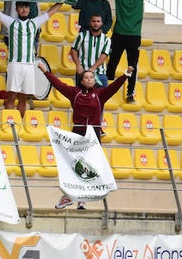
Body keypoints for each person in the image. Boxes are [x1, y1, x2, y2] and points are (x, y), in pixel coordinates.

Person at [38, 60, 132, 210]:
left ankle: (83, 200)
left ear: (95, 81)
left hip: (93, 135)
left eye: (91, 77)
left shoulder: (100, 94)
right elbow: (59, 85)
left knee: (91, 168)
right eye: (86, 77)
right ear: (81, 81)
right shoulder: (75, 93)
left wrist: (125, 75)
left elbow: (114, 87)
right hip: (78, 134)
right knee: (75, 168)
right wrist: (45, 72)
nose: (89, 79)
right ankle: (68, 197)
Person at [90, 0, 175, 103]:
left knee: (132, 66)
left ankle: (130, 94)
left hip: (134, 36)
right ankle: (106, 89)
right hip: (118, 34)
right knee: (112, 63)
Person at [0, 0, 63, 115]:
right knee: (11, 95)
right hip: (15, 64)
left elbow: (50, 13)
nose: (24, 9)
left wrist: (61, 2)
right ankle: (8, 123)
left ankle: (19, 125)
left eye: (26, 7)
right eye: (21, 7)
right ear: (17, 9)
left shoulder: (34, 23)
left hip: (29, 65)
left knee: (24, 97)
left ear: (29, 9)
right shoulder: (11, 22)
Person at [71, 14, 111, 85]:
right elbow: (73, 50)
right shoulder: (81, 36)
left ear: (101, 23)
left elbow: (104, 55)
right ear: (90, 23)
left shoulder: (106, 39)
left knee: (104, 95)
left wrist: (93, 68)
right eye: (94, 21)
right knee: (81, 95)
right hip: (83, 72)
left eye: (98, 21)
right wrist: (78, 65)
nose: (96, 23)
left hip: (100, 73)